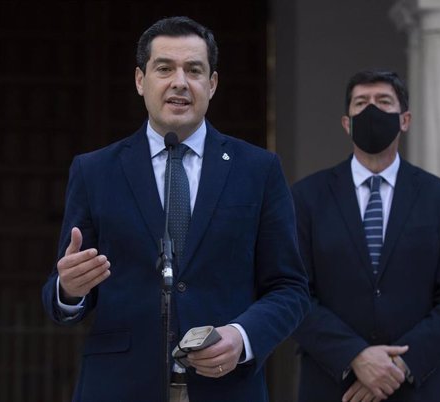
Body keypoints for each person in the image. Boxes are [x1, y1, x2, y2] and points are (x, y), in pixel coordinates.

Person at [41, 16, 309, 402]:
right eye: (164, 68)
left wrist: (242, 337)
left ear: (212, 84)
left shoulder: (259, 170)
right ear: (140, 80)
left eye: (194, 70)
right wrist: (70, 289)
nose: (179, 81)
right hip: (119, 386)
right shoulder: (95, 170)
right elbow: (60, 293)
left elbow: (290, 288)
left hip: (227, 388)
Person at [291, 70, 440, 402]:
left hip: (415, 387)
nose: (371, 111)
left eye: (383, 101)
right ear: (346, 123)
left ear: (404, 120)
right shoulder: (306, 198)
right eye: (361, 103)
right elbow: (293, 293)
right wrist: (355, 357)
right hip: (332, 386)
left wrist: (398, 366)